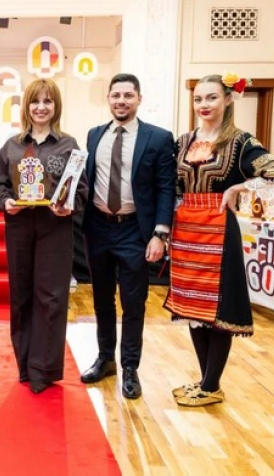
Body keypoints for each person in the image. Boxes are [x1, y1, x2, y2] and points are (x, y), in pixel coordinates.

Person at [164, 73, 274, 406]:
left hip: (219, 229)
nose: (203, 105)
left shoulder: (240, 141)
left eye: (212, 97)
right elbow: (173, 185)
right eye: (198, 99)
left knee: (217, 306)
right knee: (193, 305)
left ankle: (211, 384)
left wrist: (239, 187)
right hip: (186, 229)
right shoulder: (184, 141)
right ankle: (206, 381)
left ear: (228, 99)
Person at [79, 73, 176, 400]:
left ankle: (130, 367)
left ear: (139, 99)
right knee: (102, 299)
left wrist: (160, 234)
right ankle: (105, 359)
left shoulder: (158, 138)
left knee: (133, 302)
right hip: (98, 227)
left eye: (128, 95)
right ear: (108, 99)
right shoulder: (94, 135)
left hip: (135, 230)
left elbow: (166, 188)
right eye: (116, 95)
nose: (121, 101)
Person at [0, 78, 87, 394]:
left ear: (56, 106)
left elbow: (81, 189)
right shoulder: (12, 146)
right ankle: (25, 365)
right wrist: (5, 201)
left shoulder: (69, 145)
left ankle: (43, 369)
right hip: (19, 226)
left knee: (52, 296)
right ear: (26, 106)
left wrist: (68, 206)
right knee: (21, 294)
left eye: (48, 101)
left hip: (54, 226)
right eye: (35, 101)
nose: (41, 107)